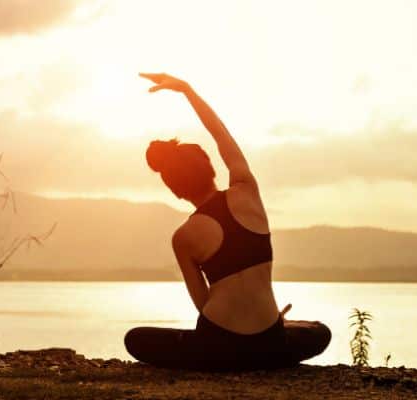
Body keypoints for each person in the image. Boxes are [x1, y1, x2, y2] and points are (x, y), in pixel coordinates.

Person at [124, 72, 331, 371]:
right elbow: (221, 134)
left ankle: (233, 355)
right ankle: (273, 341)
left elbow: (203, 305)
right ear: (210, 167)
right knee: (318, 332)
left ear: (176, 191)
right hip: (269, 342)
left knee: (137, 339)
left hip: (218, 348)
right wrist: (186, 90)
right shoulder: (247, 191)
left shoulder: (183, 238)